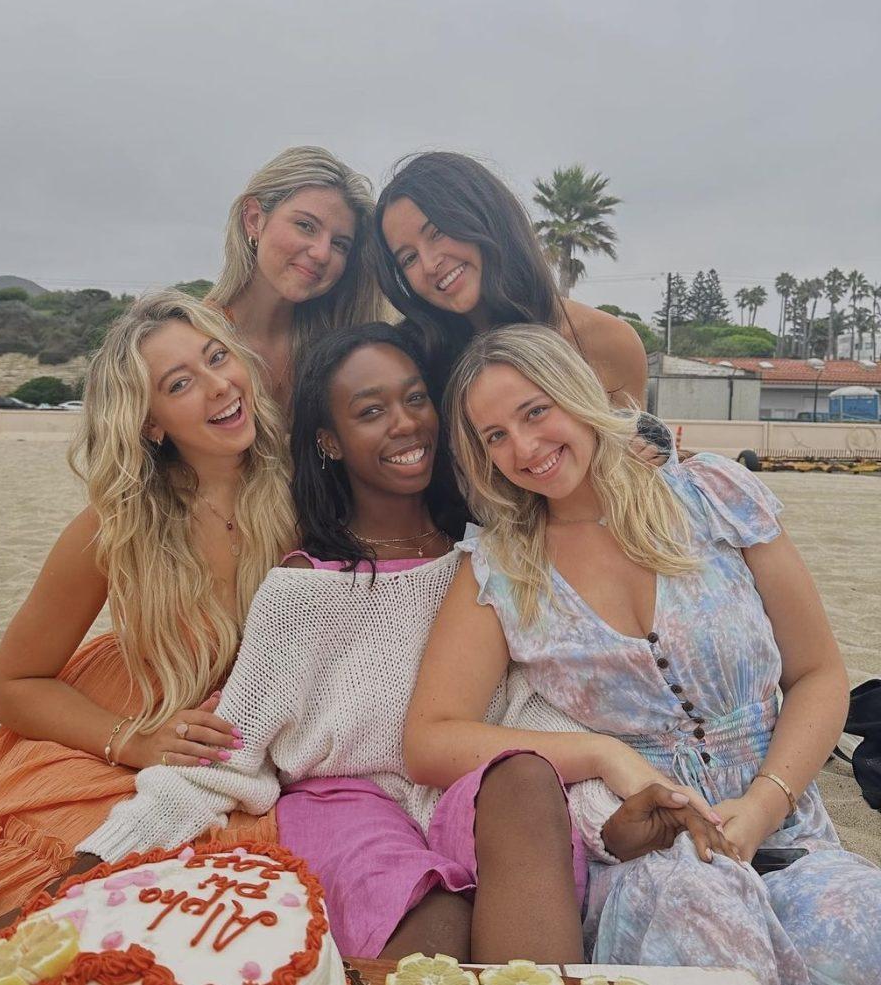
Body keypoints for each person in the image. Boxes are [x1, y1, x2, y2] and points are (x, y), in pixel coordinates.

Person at [75, 323, 732, 965]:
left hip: (469, 797)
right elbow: (227, 757)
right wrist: (98, 854)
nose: (405, 421)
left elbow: (530, 718)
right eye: (371, 409)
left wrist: (606, 825)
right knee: (438, 916)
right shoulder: (302, 589)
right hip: (349, 806)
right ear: (329, 441)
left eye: (416, 398)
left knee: (527, 777)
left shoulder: (489, 560)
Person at [405, 323, 881, 985]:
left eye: (535, 411)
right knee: (709, 922)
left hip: (791, 832)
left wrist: (767, 803)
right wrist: (606, 754)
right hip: (649, 857)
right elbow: (430, 738)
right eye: (495, 436)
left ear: (575, 393)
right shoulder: (501, 566)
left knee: (862, 933)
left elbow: (819, 673)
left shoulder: (715, 495)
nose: (525, 447)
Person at [0, 291, 293, 948]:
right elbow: (10, 685)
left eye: (216, 357)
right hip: (125, 720)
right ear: (151, 422)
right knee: (26, 895)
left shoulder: (304, 489)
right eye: (180, 383)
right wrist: (134, 740)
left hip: (237, 742)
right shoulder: (117, 527)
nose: (217, 387)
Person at [372, 151, 648, 410]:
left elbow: (632, 457)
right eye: (408, 258)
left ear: (486, 215)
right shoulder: (415, 361)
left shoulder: (607, 341)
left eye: (437, 232)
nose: (430, 264)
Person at [209, 145, 386, 411]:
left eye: (340, 244)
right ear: (254, 219)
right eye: (306, 226)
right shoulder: (193, 340)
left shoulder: (338, 351)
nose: (322, 254)